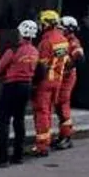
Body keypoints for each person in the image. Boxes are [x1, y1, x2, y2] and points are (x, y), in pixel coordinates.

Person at [0, 20, 40, 167]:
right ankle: (18, 155)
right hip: (26, 86)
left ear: (20, 33)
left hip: (11, 86)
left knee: (4, 121)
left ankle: (2, 158)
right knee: (19, 120)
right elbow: (39, 70)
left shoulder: (12, 50)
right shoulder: (35, 51)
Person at [31, 10, 70, 157]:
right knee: (48, 112)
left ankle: (42, 145)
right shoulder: (62, 39)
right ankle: (46, 140)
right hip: (57, 81)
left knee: (41, 113)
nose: (40, 25)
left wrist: (34, 83)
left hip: (45, 82)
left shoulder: (46, 42)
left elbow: (42, 67)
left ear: (47, 24)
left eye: (42, 23)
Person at [53, 15, 86, 151]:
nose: (60, 30)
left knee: (63, 106)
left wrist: (68, 66)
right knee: (59, 106)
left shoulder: (73, 42)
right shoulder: (64, 40)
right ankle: (63, 135)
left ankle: (67, 137)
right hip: (61, 77)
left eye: (62, 28)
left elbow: (80, 58)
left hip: (67, 78)